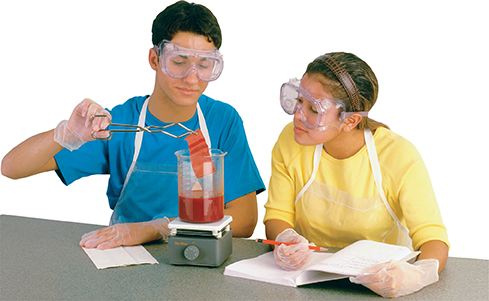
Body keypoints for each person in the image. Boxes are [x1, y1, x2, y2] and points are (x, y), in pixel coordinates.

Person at [1, 1, 265, 250]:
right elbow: (11, 167)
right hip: (124, 259)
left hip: (198, 258)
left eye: (204, 65)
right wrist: (65, 134)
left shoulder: (223, 121)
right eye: (179, 61)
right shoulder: (120, 123)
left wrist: (157, 228)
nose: (192, 78)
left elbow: (244, 221)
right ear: (155, 59)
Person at [263, 52, 449, 298]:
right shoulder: (291, 140)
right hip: (310, 281)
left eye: (313, 108)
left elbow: (433, 238)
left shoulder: (398, 156)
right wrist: (287, 239)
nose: (298, 114)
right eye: (299, 100)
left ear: (349, 120)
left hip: (379, 285)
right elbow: (277, 215)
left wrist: (417, 275)